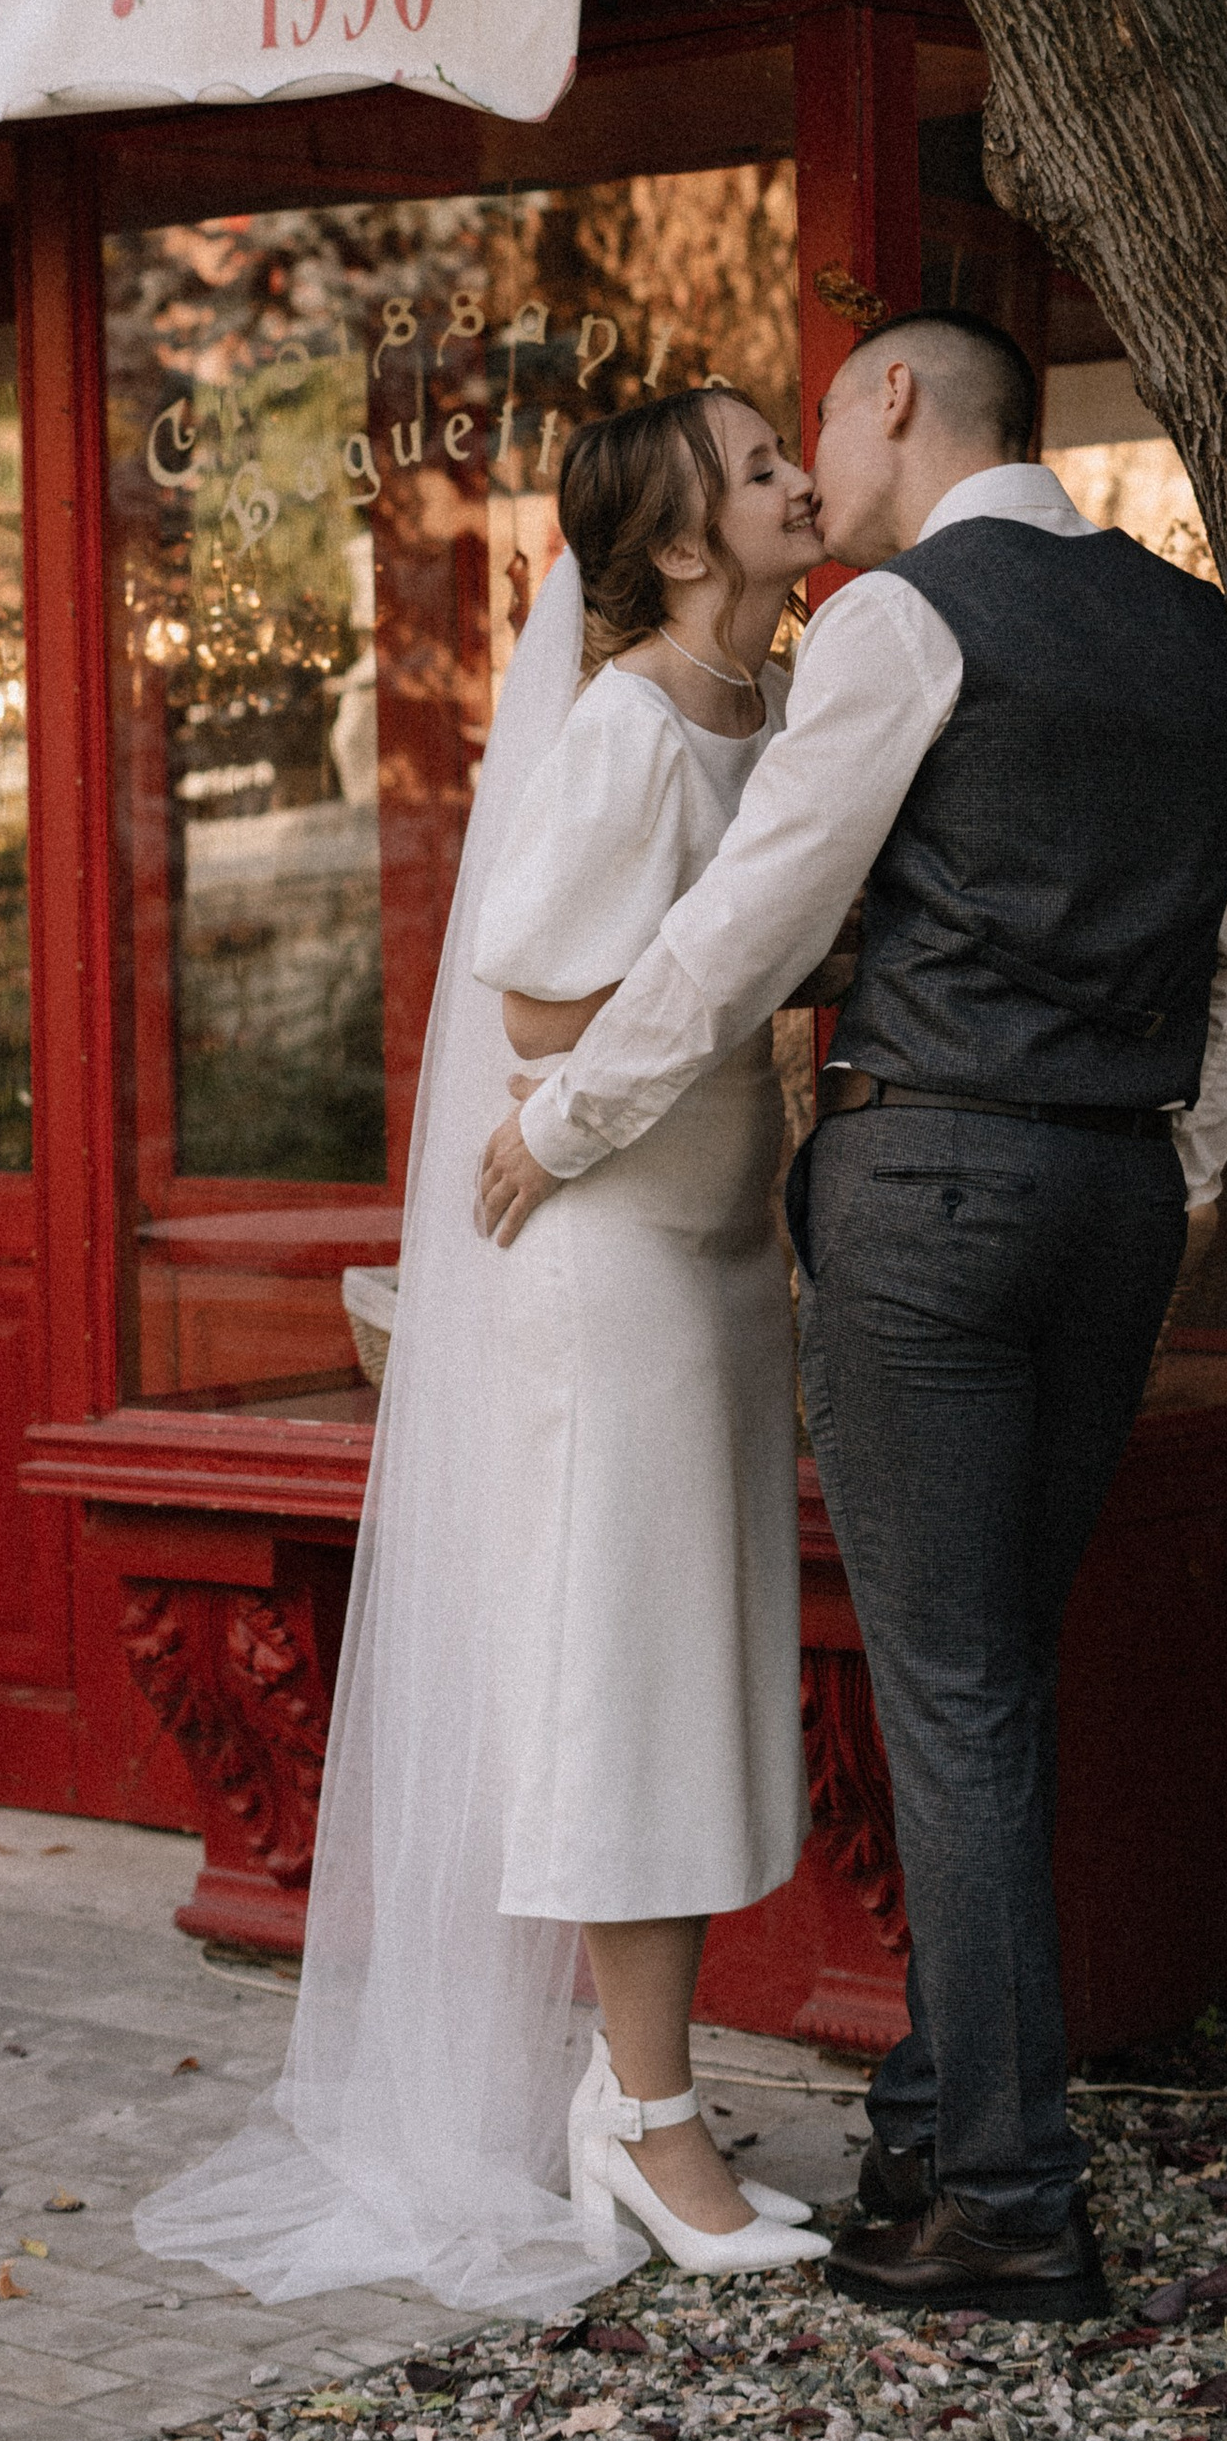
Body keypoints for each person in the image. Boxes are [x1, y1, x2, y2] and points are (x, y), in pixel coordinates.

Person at [479, 310, 1227, 2324]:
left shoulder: (897, 622)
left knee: (952, 1693)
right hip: (1114, 1198)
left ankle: (1006, 2199)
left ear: (893, 407)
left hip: (932, 1192)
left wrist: (565, 1122)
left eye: (818, 428)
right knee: (990, 1669)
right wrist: (1173, 1168)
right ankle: (941, 2120)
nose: (811, 483)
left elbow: (753, 918)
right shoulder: (1199, 632)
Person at [138, 383, 832, 2315]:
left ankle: (636, 2087)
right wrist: (747, 982)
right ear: (682, 546)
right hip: (602, 1268)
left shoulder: (763, 711)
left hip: (699, 1252)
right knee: (625, 1681)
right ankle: (654, 2119)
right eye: (759, 465)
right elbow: (531, 1006)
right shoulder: (623, 735)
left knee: (684, 1671)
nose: (798, 478)